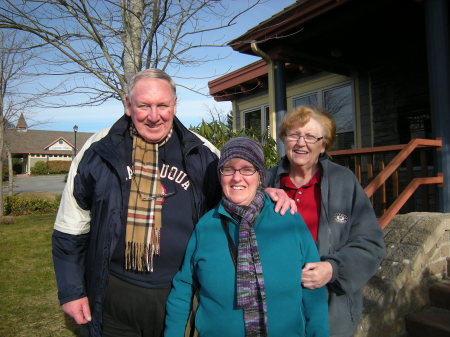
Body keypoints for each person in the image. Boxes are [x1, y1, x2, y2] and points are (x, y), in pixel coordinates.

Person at [52, 69, 296, 337]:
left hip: (179, 294)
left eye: (162, 106)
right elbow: (69, 230)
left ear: (175, 105)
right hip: (113, 294)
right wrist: (72, 291)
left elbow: (236, 196)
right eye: (144, 105)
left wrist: (266, 193)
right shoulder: (97, 151)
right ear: (127, 104)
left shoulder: (201, 153)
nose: (154, 116)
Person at [165, 137, 329, 337]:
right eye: (228, 169)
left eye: (247, 168)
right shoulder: (206, 226)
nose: (236, 177)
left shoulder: (288, 220)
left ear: (260, 176)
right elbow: (183, 287)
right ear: (220, 176)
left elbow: (314, 288)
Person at [266, 105, 386, 337]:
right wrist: (261, 194)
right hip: (274, 305)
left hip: (331, 305)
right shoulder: (266, 181)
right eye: (294, 135)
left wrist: (333, 268)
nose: (301, 143)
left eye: (311, 136)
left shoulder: (344, 181)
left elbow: (371, 243)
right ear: (284, 140)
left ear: (323, 145)